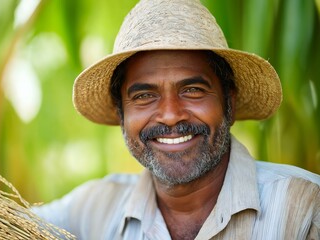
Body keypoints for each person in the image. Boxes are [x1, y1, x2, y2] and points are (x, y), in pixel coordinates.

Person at [33, 0, 320, 239]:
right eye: (144, 95)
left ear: (229, 103)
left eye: (193, 90)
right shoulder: (95, 208)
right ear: (122, 115)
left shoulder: (306, 207)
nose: (170, 115)